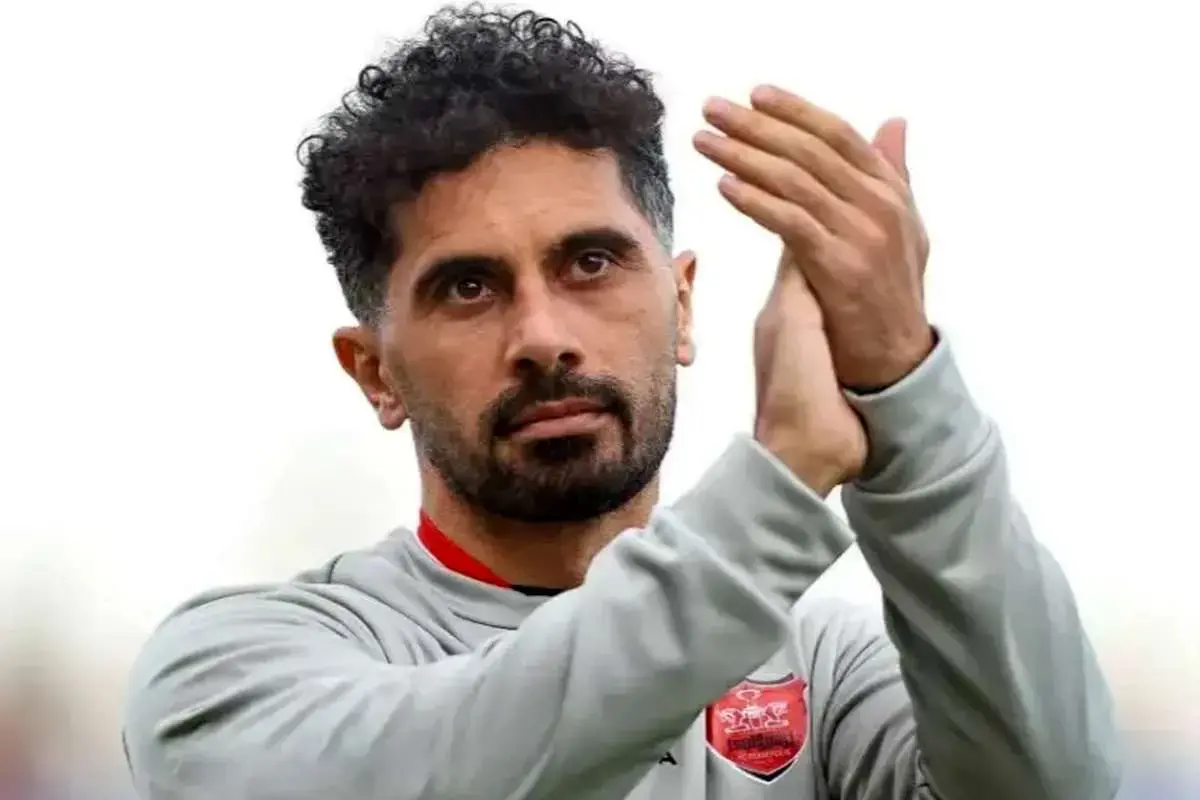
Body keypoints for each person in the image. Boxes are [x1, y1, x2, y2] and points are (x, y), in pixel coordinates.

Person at [121, 5, 1121, 799]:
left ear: (682, 305)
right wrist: (777, 484)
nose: (542, 334)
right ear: (374, 371)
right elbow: (459, 761)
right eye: (468, 286)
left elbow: (1052, 785)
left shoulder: (827, 667)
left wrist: (903, 391)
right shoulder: (225, 675)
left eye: (590, 262)